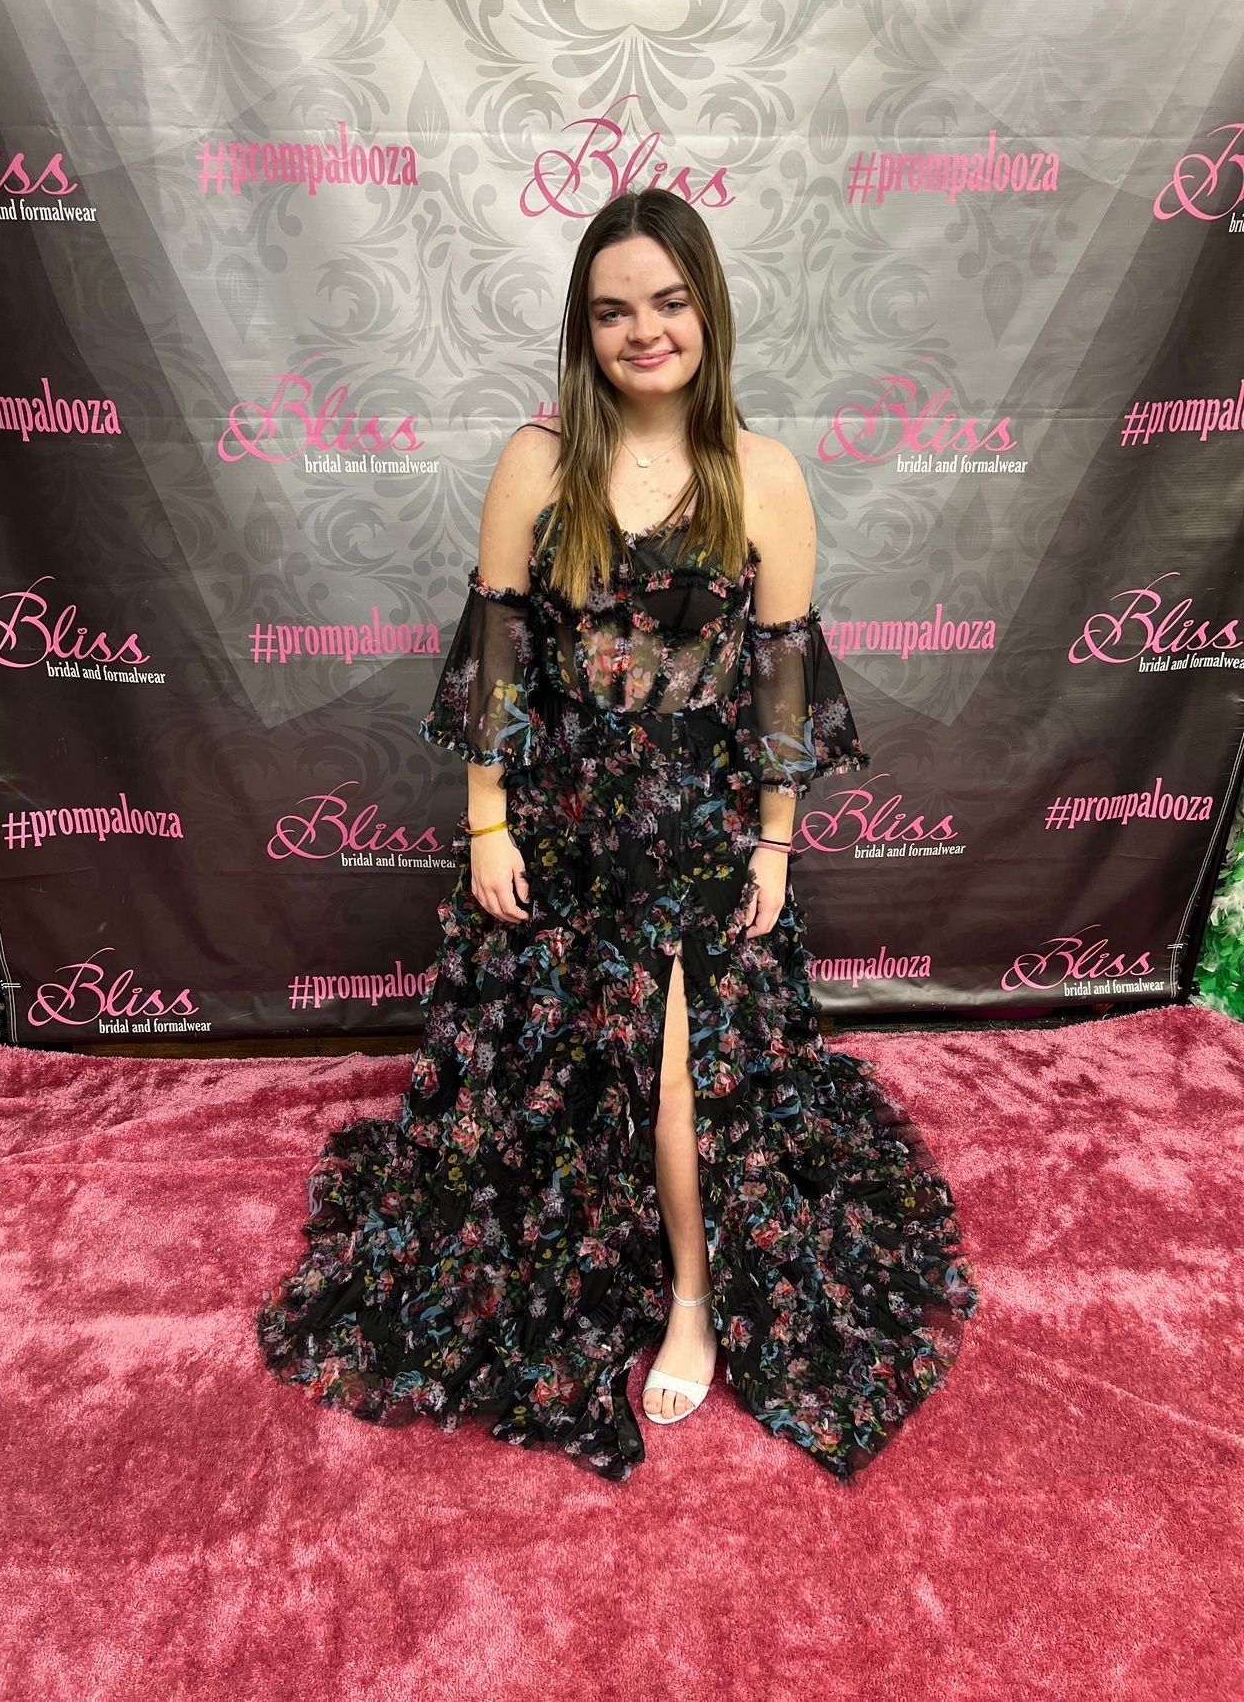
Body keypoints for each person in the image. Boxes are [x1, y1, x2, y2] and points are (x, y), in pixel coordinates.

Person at [257, 187, 978, 1483]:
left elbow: (778, 684)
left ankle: (694, 1300)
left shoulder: (766, 476)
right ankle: (583, 1263)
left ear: (708, 309)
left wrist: (770, 849)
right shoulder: (539, 463)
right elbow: (496, 661)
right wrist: (485, 821)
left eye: (668, 302)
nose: (645, 331)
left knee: (677, 1077)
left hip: (702, 839)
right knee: (553, 1092)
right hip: (564, 825)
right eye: (612, 311)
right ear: (584, 330)